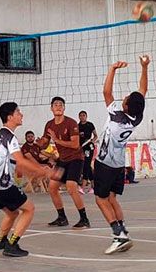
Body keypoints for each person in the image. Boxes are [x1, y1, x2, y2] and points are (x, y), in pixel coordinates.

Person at [94, 55, 149, 254]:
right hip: (118, 165)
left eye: (125, 98)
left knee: (101, 200)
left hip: (105, 163)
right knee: (112, 198)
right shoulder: (137, 117)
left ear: (125, 106)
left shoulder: (117, 115)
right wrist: (145, 67)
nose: (123, 97)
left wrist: (113, 69)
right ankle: (123, 230)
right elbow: (142, 91)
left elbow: (106, 91)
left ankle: (118, 235)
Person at [0, 102, 53, 257]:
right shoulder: (10, 137)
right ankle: (12, 245)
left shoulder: (0, 135)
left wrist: (35, 172)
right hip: (0, 184)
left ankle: (0, 240)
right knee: (29, 209)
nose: (21, 114)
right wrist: (43, 171)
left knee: (12, 213)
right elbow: (21, 161)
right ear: (10, 117)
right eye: (18, 112)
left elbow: (17, 165)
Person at [39, 96, 90, 228]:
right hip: (63, 160)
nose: (58, 106)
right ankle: (62, 218)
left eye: (61, 104)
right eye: (55, 104)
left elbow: (75, 144)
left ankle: (84, 219)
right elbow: (44, 144)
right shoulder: (49, 124)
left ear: (64, 108)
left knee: (71, 186)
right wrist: (41, 144)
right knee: (52, 187)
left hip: (76, 158)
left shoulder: (71, 123)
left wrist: (57, 139)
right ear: (51, 108)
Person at [78, 110, 98, 194]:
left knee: (86, 165)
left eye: (84, 115)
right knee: (87, 166)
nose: (82, 117)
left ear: (86, 116)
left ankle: (83, 187)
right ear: (79, 117)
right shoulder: (77, 126)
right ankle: (93, 186)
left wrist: (92, 141)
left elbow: (95, 135)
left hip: (89, 148)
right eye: (81, 115)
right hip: (81, 148)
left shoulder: (90, 125)